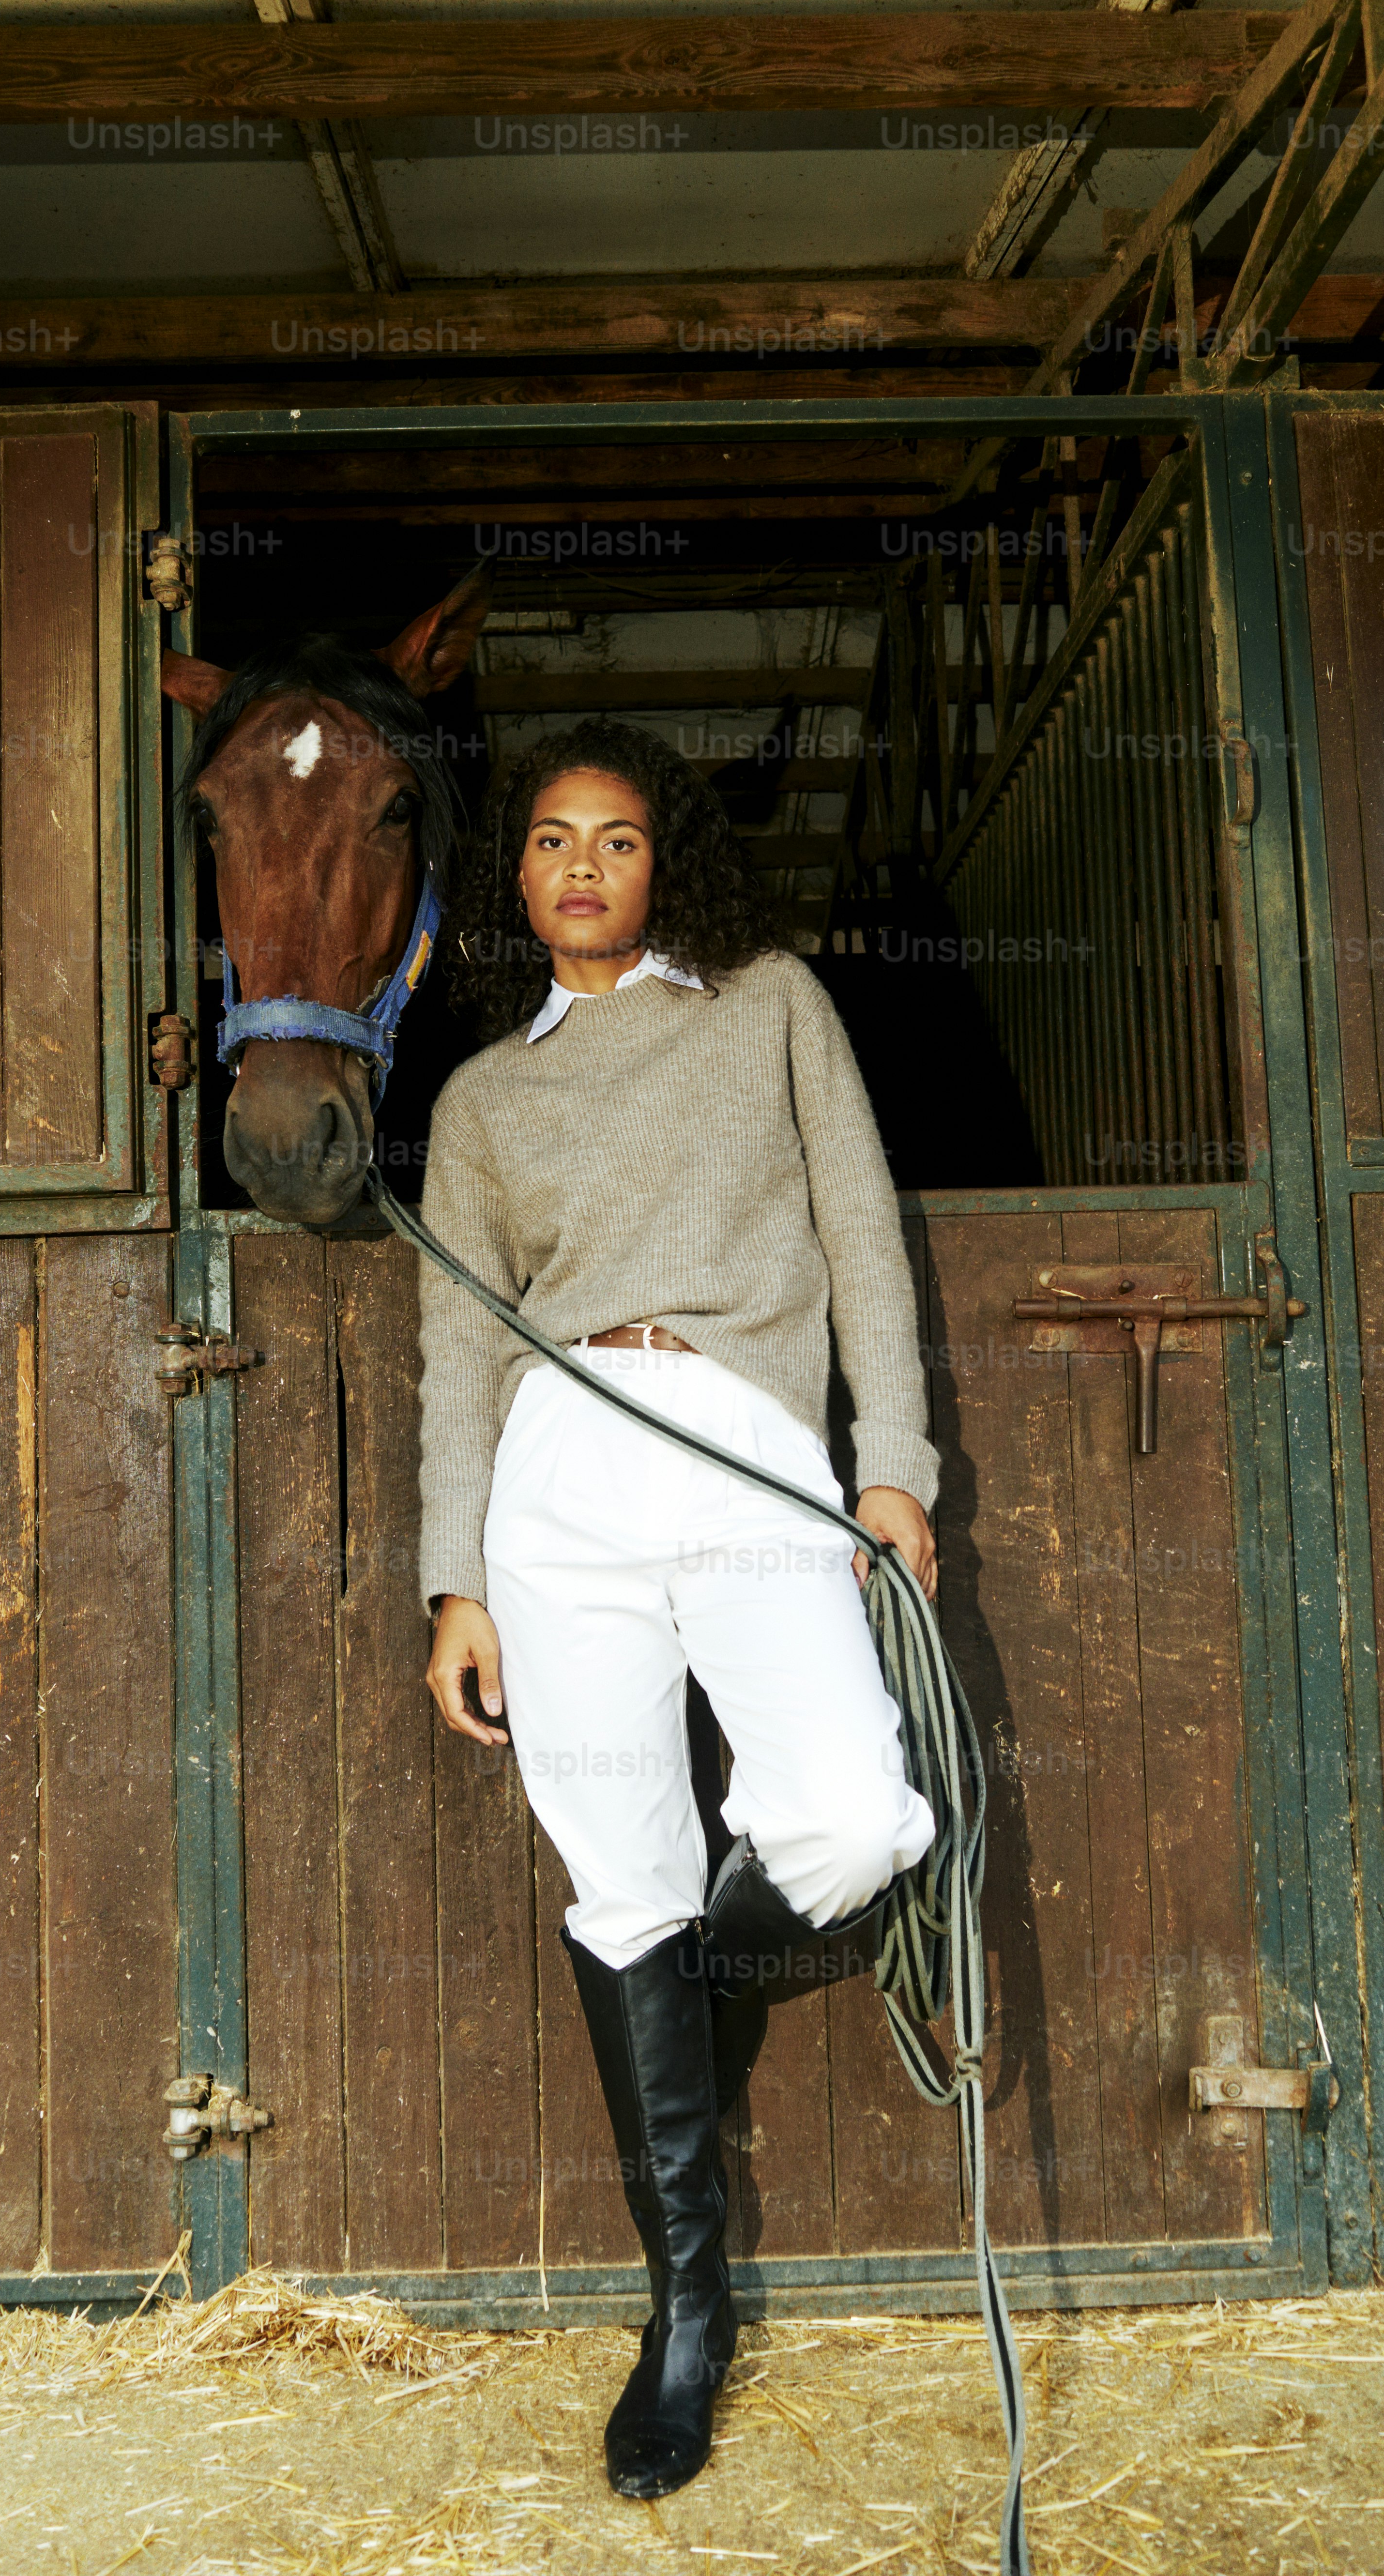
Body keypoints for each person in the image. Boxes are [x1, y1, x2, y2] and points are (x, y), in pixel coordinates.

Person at [417, 718, 939, 2501]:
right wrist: (456, 1578)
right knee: (615, 1866)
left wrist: (898, 1469)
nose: (580, 864)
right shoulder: (485, 1099)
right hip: (555, 1477)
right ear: (519, 876)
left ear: (667, 863)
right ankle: (688, 2311)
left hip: (740, 1442)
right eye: (551, 839)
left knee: (855, 1814)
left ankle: (688, 1990)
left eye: (616, 839)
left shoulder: (773, 1005)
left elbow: (865, 1237)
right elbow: (457, 1351)